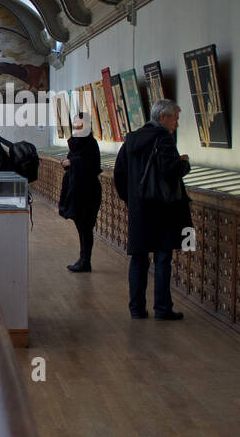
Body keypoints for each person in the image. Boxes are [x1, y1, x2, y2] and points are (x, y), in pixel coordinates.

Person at [114, 98, 192, 320]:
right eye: (175, 118)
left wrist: (131, 201)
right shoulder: (164, 139)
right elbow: (170, 170)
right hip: (163, 210)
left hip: (140, 211)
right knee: (162, 258)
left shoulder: (132, 139)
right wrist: (184, 163)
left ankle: (137, 309)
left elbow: (119, 175)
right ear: (163, 117)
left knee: (138, 258)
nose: (176, 123)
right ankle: (162, 308)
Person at [57, 112, 102, 272]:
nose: (76, 127)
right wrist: (68, 163)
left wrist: (72, 162)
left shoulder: (90, 144)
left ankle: (85, 260)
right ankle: (83, 259)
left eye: (79, 124)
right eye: (75, 123)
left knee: (85, 227)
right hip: (75, 189)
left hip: (88, 191)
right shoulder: (77, 143)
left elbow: (93, 166)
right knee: (81, 227)